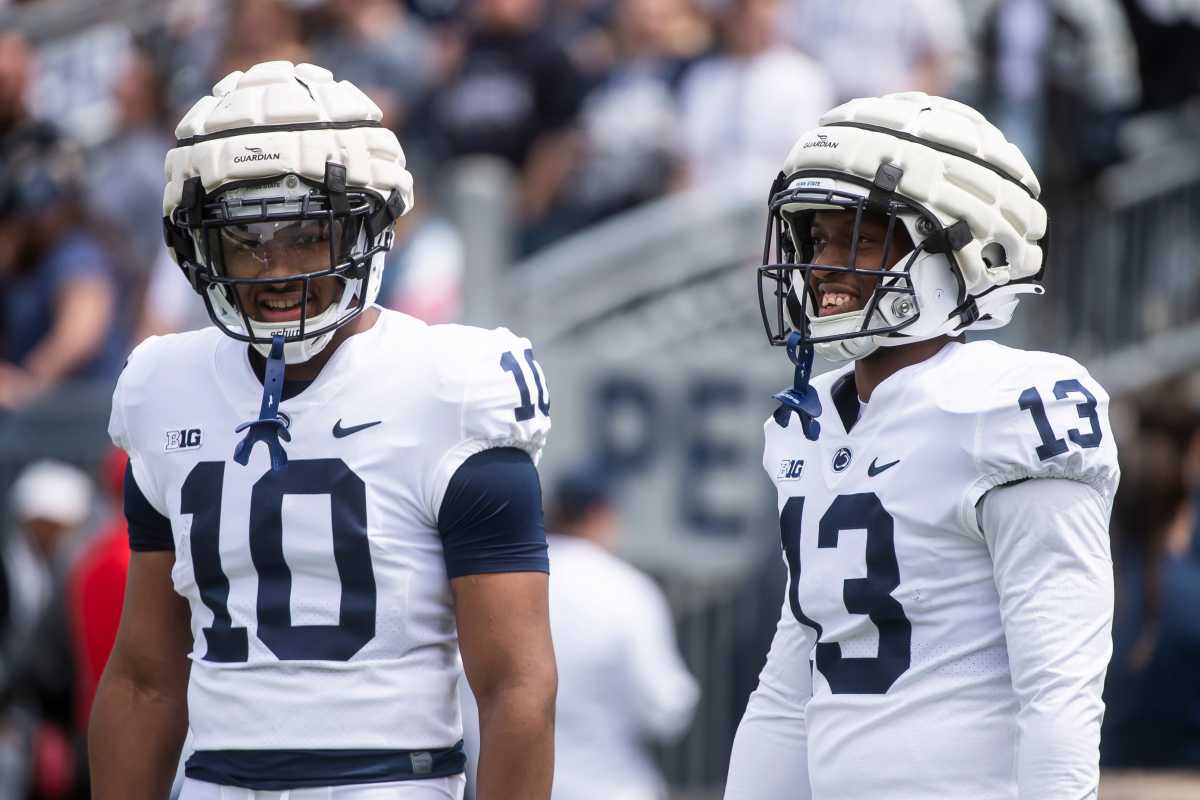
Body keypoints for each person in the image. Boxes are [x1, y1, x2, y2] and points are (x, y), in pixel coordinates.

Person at [88, 61, 557, 800]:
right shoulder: (161, 387)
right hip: (213, 782)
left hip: (388, 783)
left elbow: (516, 688)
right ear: (198, 247)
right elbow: (145, 679)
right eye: (245, 239)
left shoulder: (452, 385)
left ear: (368, 224)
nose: (275, 271)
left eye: (307, 236)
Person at [725, 92, 1120, 798]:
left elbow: (1060, 688)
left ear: (966, 248)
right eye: (817, 240)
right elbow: (790, 687)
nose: (823, 266)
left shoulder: (1011, 406)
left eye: (861, 238)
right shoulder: (806, 420)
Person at [544, 467, 698, 800]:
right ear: (603, 515)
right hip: (611, 787)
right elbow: (665, 709)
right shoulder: (626, 589)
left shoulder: (509, 587)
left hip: (514, 788)